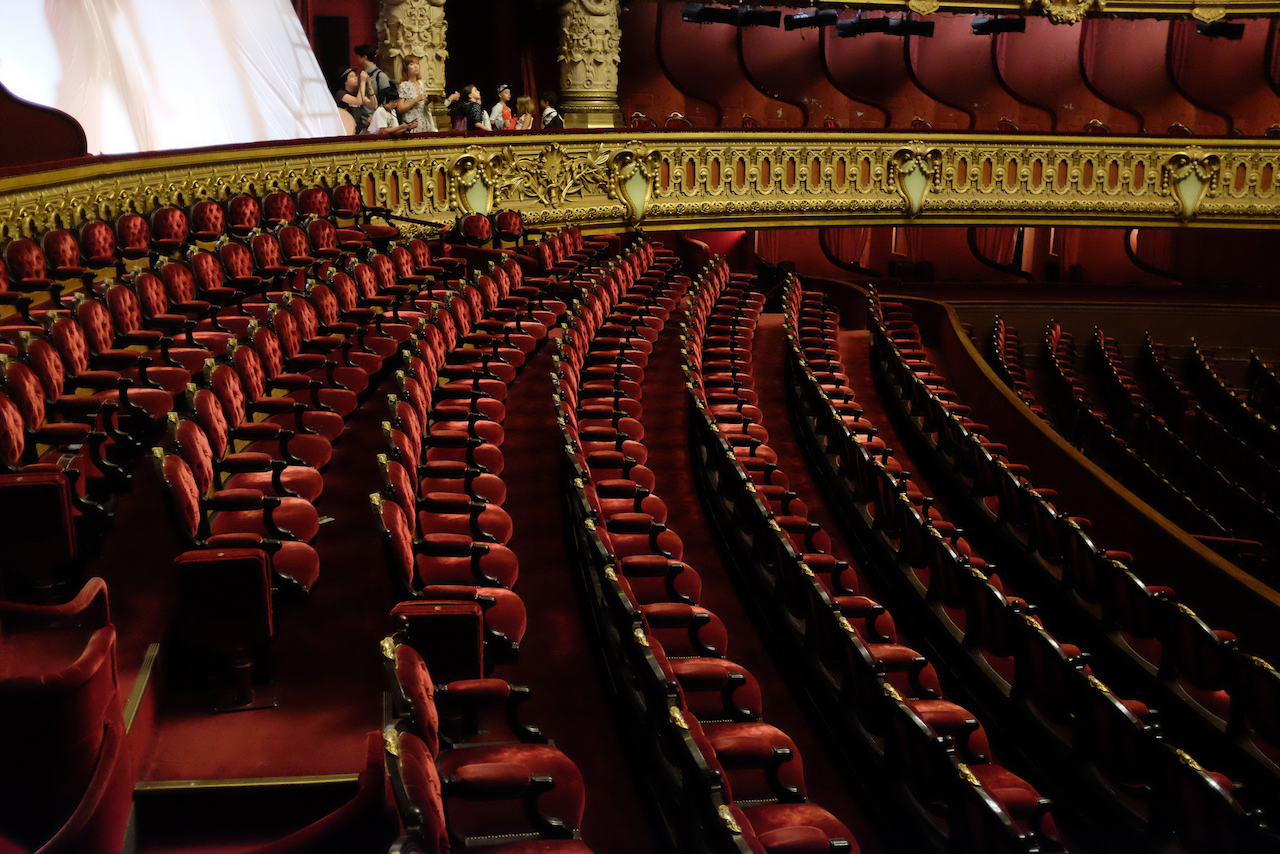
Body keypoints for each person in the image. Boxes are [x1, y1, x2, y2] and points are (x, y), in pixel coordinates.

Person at [398, 56, 459, 133]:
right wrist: (416, 99)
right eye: (411, 64)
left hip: (423, 122)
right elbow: (400, 108)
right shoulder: (404, 85)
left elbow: (422, 104)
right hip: (411, 123)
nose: (415, 66)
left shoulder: (421, 84)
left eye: (417, 64)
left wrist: (429, 100)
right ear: (406, 68)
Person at [334, 67, 375, 134]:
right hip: (347, 129)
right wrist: (363, 82)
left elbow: (373, 105)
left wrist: (369, 85)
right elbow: (358, 101)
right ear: (345, 82)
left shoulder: (356, 94)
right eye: (352, 76)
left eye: (356, 75)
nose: (356, 78)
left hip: (359, 129)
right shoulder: (341, 94)